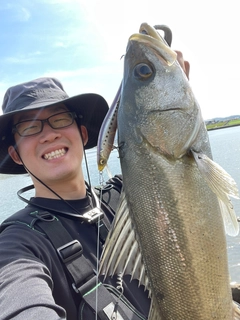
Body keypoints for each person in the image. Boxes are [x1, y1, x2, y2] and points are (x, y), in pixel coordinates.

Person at [0, 54, 190, 320]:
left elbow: (174, 163)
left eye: (60, 119)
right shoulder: (18, 244)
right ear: (16, 155)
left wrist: (166, 94)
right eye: (29, 127)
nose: (49, 133)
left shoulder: (129, 193)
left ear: (84, 134)